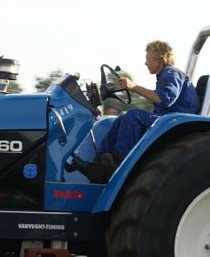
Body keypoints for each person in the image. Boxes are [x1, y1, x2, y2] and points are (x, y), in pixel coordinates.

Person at [74, 40, 200, 183]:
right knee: (120, 120)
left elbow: (163, 99)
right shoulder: (165, 75)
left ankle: (119, 163)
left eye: (148, 59)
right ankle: (99, 163)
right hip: (168, 118)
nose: (145, 63)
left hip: (175, 121)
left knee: (134, 115)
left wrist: (133, 87)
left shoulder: (172, 74)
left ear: (159, 60)